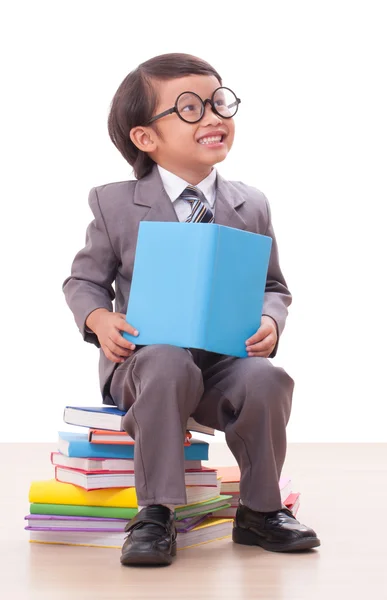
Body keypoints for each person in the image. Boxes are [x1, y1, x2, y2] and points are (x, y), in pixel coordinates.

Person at [63, 53, 320, 566]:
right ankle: (156, 511)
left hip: (223, 361)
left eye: (218, 102)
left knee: (266, 378)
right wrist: (99, 319)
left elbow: (273, 285)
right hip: (145, 361)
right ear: (145, 138)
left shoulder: (251, 203)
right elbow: (83, 281)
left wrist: (270, 320)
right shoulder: (115, 204)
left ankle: (259, 510)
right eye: (188, 108)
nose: (213, 117)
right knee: (164, 360)